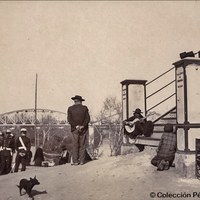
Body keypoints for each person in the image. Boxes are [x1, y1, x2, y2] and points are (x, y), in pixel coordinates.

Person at [67, 95, 90, 165]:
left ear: (75, 101)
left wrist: (76, 126)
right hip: (83, 129)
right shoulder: (84, 108)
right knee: (82, 145)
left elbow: (69, 119)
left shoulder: (70, 108)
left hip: (74, 129)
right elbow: (87, 119)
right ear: (80, 101)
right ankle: (82, 161)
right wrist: (82, 126)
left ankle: (75, 161)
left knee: (75, 145)